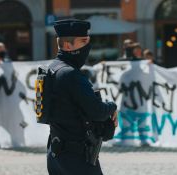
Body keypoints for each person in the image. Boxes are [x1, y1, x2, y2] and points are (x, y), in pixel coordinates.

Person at [46, 19, 118, 175]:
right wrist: (112, 106)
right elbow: (97, 112)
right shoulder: (70, 74)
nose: (88, 46)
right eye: (83, 41)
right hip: (76, 157)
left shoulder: (52, 69)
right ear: (67, 45)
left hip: (56, 153)